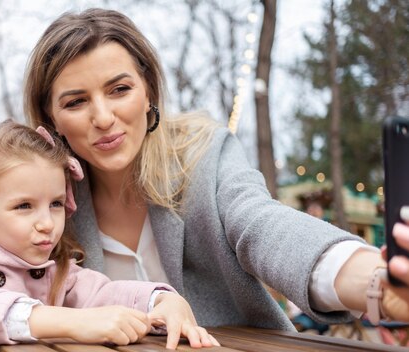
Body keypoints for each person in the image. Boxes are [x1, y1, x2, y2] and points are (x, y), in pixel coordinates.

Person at [23, 7, 409, 335]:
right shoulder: (40, 198)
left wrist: (377, 282)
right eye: (76, 102)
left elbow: (262, 226)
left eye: (120, 89)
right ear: (51, 119)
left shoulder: (203, 155)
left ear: (149, 92)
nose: (104, 118)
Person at [0, 120, 219, 349]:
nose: (47, 223)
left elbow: (104, 294)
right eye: (24, 206)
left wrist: (161, 302)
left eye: (56, 204)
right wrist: (59, 321)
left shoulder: (58, 273)